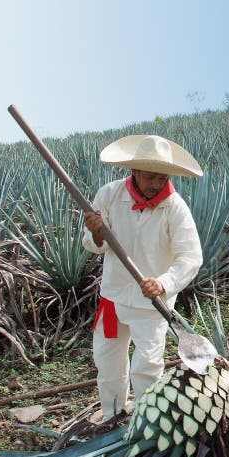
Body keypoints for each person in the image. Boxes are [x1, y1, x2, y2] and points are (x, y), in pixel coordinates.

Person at [82, 134, 203, 423]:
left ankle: (148, 419)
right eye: (150, 177)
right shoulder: (109, 195)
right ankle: (113, 414)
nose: (157, 184)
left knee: (147, 364)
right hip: (113, 296)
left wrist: (164, 282)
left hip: (152, 304)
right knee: (108, 360)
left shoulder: (175, 208)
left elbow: (190, 257)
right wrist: (97, 232)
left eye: (162, 178)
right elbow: (93, 244)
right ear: (134, 172)